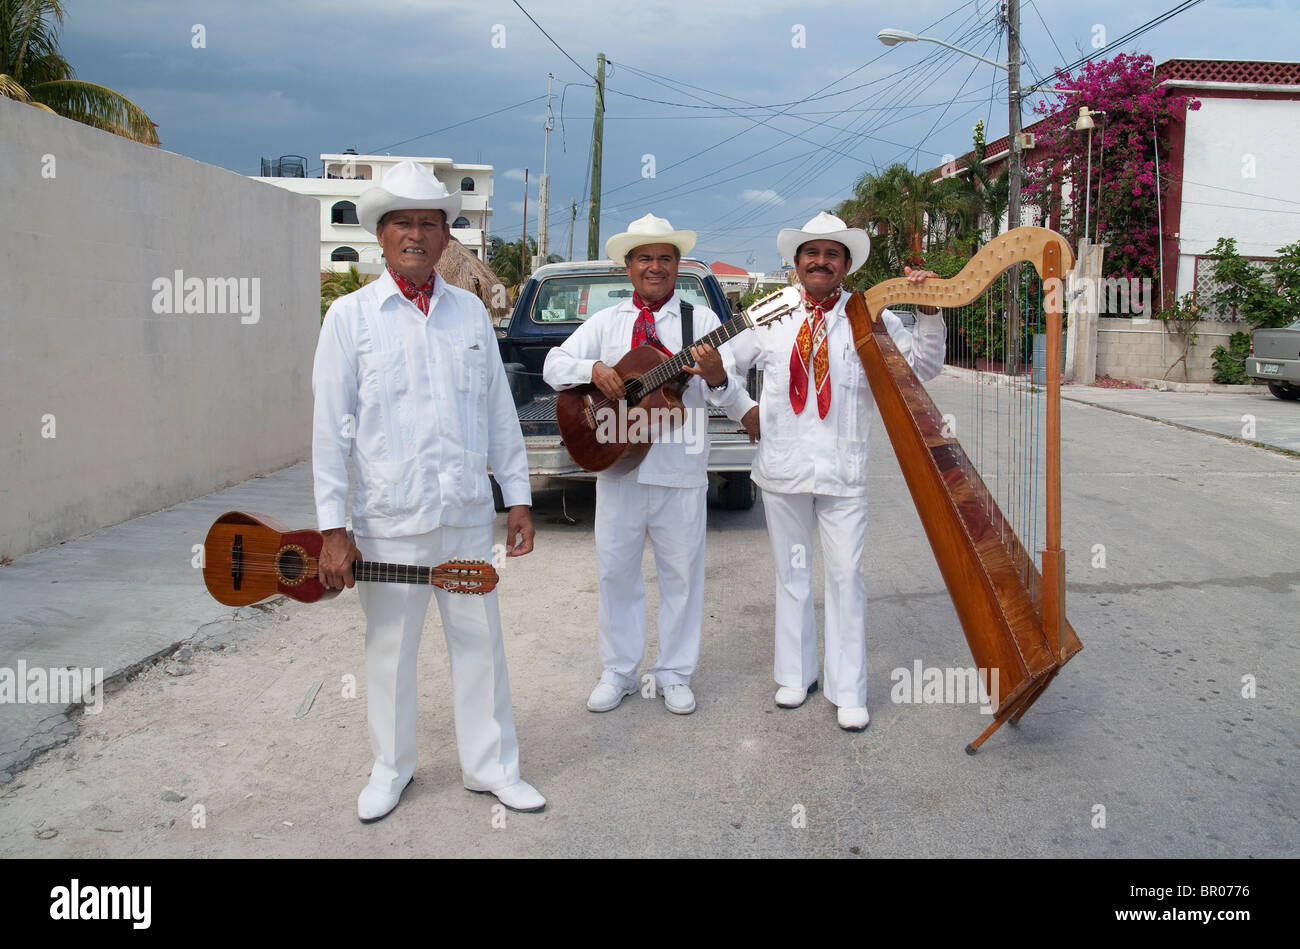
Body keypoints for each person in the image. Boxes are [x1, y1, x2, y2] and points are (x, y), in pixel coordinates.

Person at [312, 160, 544, 822]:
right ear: (382, 235)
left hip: (467, 516)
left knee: (480, 641)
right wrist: (334, 528)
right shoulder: (350, 319)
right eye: (403, 223)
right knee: (389, 650)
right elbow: (329, 432)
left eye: (429, 223)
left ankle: (492, 767)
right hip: (390, 521)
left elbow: (499, 412)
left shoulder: (469, 313)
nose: (416, 234)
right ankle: (391, 768)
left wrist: (519, 495)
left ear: (447, 238)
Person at [729, 212, 946, 731]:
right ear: (797, 262)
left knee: (847, 577)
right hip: (781, 469)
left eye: (831, 253)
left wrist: (930, 313)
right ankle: (795, 674)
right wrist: (743, 410)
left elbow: (923, 368)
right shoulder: (771, 313)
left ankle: (848, 689)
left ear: (846, 264)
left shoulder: (870, 316)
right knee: (793, 576)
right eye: (811, 252)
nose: (820, 261)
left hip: (843, 472)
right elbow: (724, 368)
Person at [543, 214, 750, 716]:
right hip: (618, 466)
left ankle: (675, 673)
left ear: (677, 266)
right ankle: (618, 672)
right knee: (616, 574)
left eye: (664, 257)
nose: (654, 266)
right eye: (644, 258)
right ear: (628, 267)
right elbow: (553, 365)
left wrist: (719, 376)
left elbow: (729, 395)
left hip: (680, 469)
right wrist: (592, 369)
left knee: (681, 575)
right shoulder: (606, 323)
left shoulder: (702, 325)